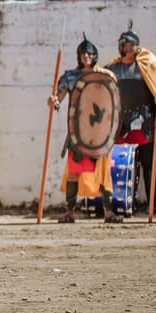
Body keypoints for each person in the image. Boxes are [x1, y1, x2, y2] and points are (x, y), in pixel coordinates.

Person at [47, 37, 114, 223]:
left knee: (102, 173)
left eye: (90, 53)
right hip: (78, 132)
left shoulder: (104, 76)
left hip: (99, 132)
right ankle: (70, 212)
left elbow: (112, 102)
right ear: (79, 56)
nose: (86, 56)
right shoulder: (70, 77)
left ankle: (109, 212)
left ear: (94, 56)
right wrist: (53, 102)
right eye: (83, 53)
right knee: (74, 172)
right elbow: (57, 101)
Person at [104, 26, 156, 222]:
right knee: (123, 166)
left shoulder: (147, 67)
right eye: (127, 45)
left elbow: (153, 91)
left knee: (150, 166)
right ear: (121, 46)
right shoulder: (112, 70)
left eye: (133, 45)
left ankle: (153, 205)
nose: (130, 49)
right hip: (121, 125)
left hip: (145, 122)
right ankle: (123, 205)